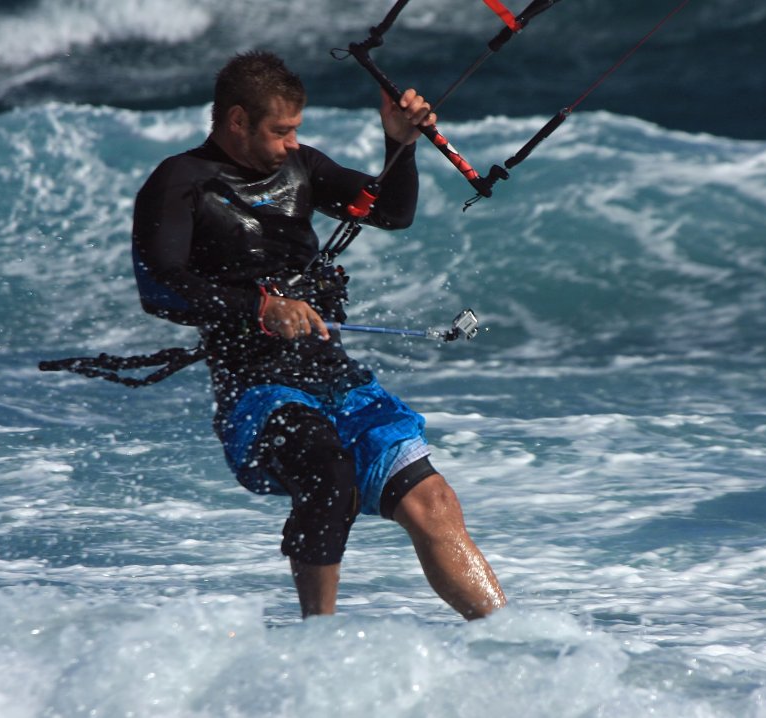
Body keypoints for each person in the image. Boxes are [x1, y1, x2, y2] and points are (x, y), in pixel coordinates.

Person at [132, 50, 506, 619]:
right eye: (280, 130)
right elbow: (160, 288)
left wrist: (398, 144)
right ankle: (318, 646)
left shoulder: (301, 167)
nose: (290, 142)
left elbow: (391, 213)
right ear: (237, 120)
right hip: (256, 390)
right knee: (329, 476)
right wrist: (259, 306)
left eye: (295, 130)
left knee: (435, 500)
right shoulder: (180, 182)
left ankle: (506, 638)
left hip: (335, 378)